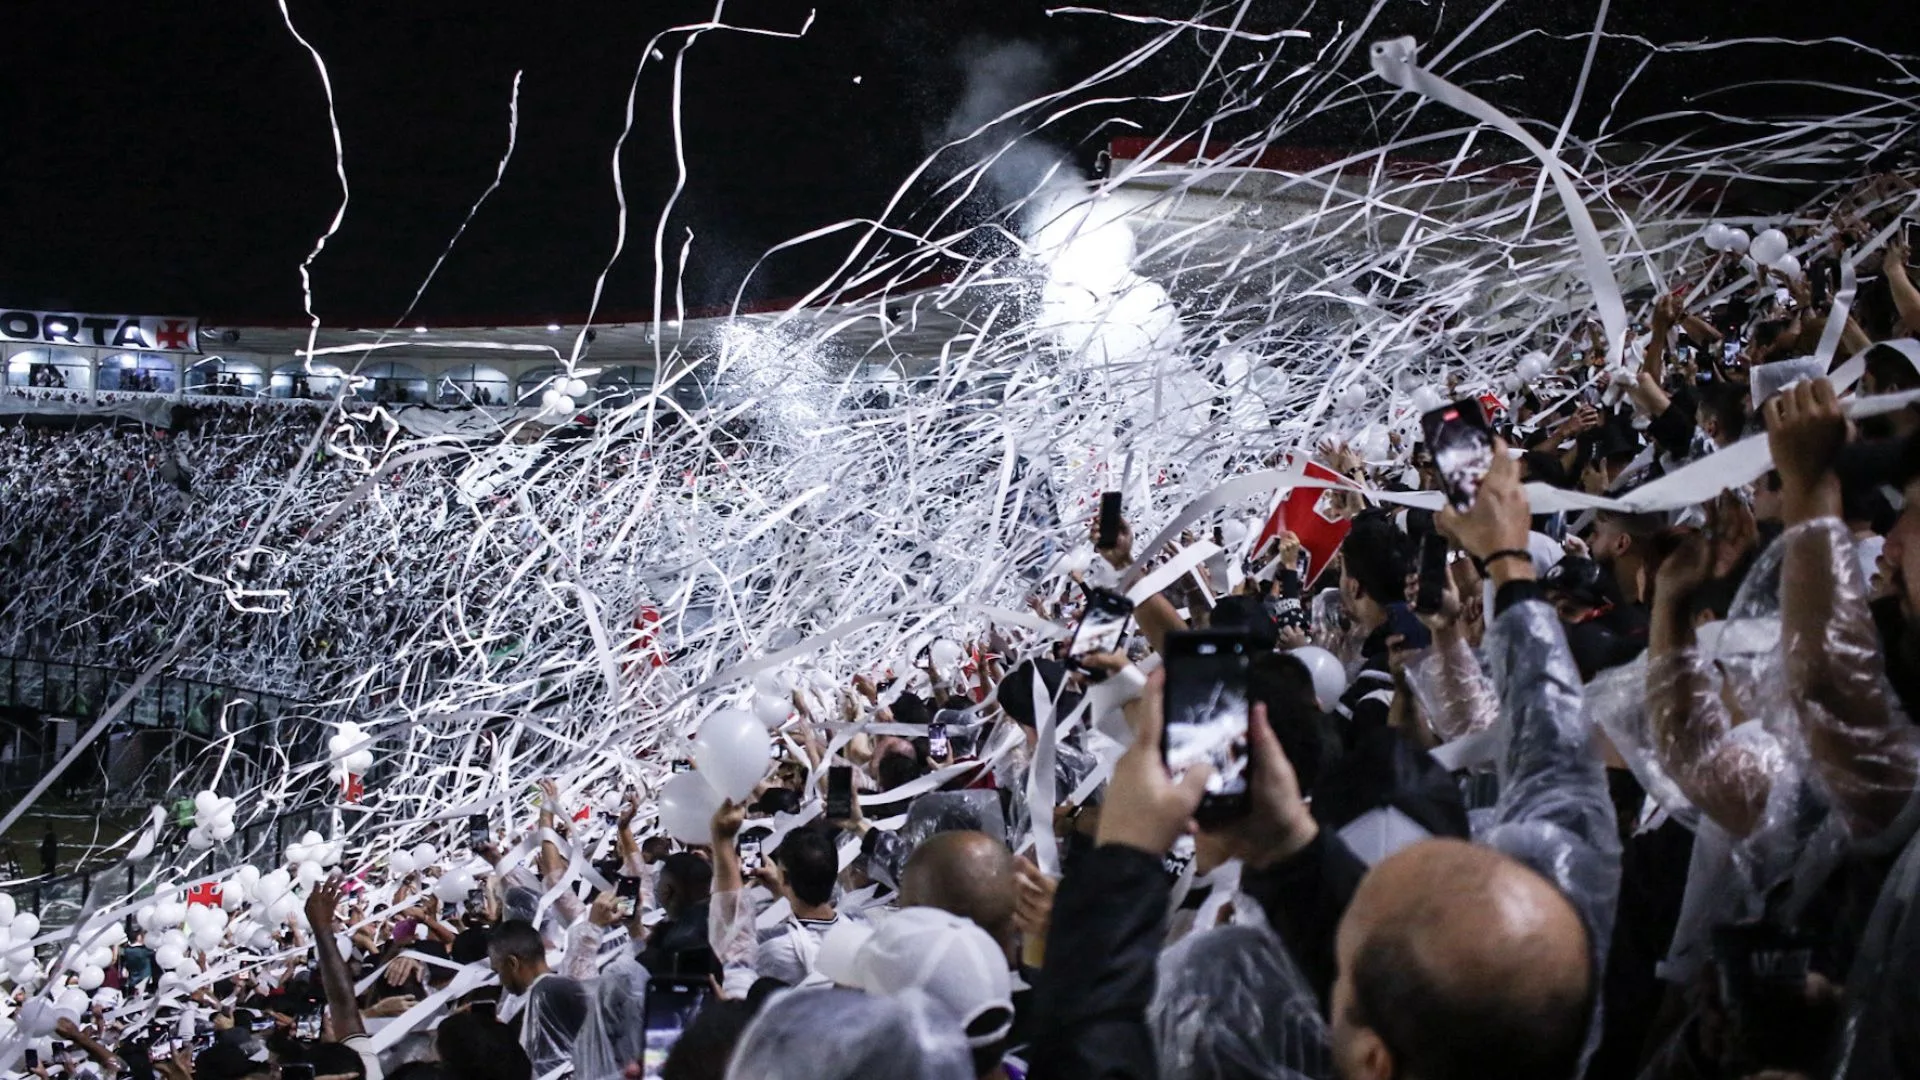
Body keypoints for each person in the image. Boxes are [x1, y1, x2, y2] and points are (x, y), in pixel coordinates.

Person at [488, 919, 590, 1076]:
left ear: (512, 963)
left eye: (498, 970)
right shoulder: (553, 989)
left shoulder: (545, 996)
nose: (500, 980)